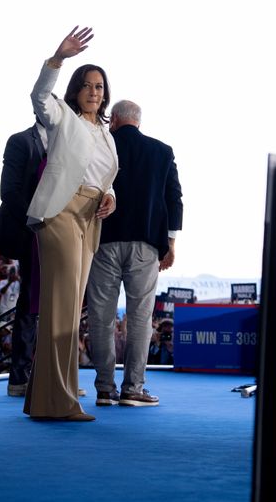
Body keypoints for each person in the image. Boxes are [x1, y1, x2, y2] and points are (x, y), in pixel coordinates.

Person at [22, 26, 118, 422]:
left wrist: (112, 196)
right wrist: (58, 58)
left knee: (69, 309)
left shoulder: (108, 135)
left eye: (100, 87)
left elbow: (106, 176)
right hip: (61, 211)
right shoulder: (63, 116)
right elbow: (39, 98)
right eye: (88, 86)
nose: (94, 92)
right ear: (77, 90)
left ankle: (46, 398)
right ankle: (59, 400)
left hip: (91, 217)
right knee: (60, 308)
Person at [86, 99, 183, 407]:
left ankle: (104, 388)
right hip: (145, 245)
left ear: (113, 120)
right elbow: (174, 199)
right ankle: (133, 388)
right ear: (137, 121)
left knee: (101, 317)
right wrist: (170, 243)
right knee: (140, 317)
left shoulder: (101, 145)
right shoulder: (162, 152)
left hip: (103, 241)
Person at [0, 119, 47, 397]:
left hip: (62, 235)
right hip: (30, 231)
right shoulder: (20, 141)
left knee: (53, 305)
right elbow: (8, 191)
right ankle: (20, 377)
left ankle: (53, 377)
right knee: (30, 303)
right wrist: (37, 220)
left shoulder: (68, 144)